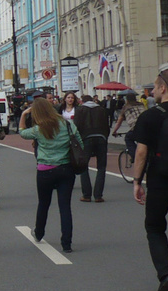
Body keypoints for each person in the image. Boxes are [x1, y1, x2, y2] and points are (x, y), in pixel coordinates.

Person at [131, 63, 168, 291]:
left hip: (160, 180)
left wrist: (137, 181)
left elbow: (141, 152)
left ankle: (166, 274)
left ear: (162, 87)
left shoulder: (151, 116)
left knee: (155, 228)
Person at [19, 98, 82, 254]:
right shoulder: (67, 124)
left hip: (45, 170)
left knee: (44, 204)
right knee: (65, 206)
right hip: (66, 169)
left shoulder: (39, 129)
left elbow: (22, 133)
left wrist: (23, 114)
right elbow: (79, 142)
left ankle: (39, 233)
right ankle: (66, 243)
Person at [73, 94, 110, 203]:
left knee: (84, 166)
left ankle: (86, 195)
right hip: (101, 138)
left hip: (86, 138)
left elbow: (77, 126)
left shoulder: (80, 110)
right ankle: (98, 195)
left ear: (82, 101)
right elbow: (106, 125)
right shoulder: (101, 109)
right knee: (101, 167)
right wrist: (105, 137)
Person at [111, 90, 145, 161]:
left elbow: (119, 122)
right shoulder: (141, 104)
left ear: (127, 99)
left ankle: (136, 157)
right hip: (147, 126)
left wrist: (114, 131)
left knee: (128, 138)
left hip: (136, 128)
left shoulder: (126, 107)